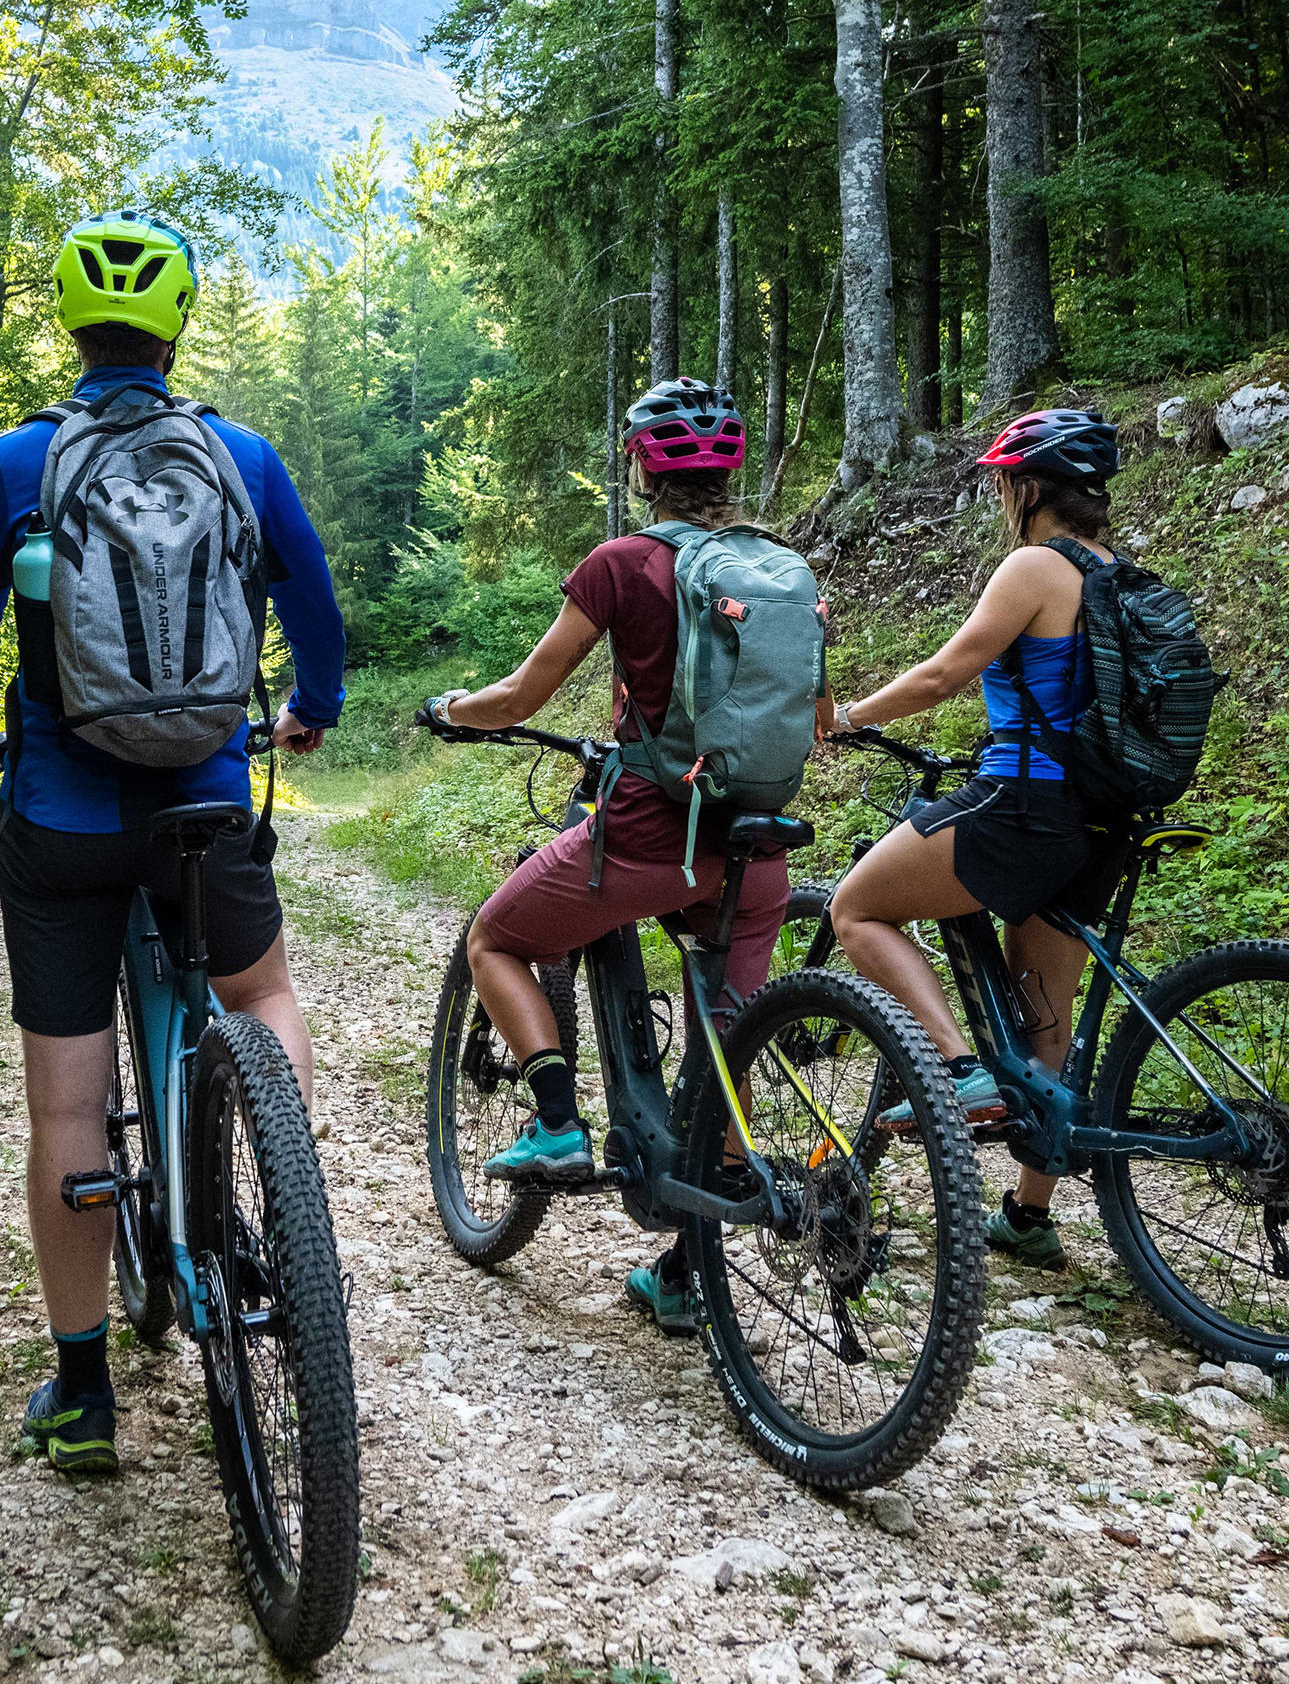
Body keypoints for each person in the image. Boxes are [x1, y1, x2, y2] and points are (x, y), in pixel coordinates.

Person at [0, 211, 346, 1477]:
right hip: (205, 801)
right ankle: (284, 1217)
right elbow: (315, 604)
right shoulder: (242, 453)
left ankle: (84, 1385)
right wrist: (307, 710)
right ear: (179, 328)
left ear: (71, 324)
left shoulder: (15, 461)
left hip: (60, 811)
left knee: (65, 1097)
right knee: (259, 992)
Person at [425, 378, 797, 1339]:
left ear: (642, 468)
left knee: (496, 940)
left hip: (648, 841)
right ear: (733, 470)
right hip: (755, 853)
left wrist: (450, 711)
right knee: (728, 1038)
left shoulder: (622, 564)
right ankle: (684, 1270)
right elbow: (817, 719)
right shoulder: (781, 570)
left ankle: (555, 1122)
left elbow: (521, 695)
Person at [820, 407, 1132, 1272]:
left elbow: (946, 672)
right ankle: (1029, 1218)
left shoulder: (1036, 564)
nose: (999, 492)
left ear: (1029, 487)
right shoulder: (1120, 573)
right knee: (1046, 1016)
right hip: (1099, 819)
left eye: (1003, 478)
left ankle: (961, 1073)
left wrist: (849, 718)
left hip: (1025, 802)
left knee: (857, 909)